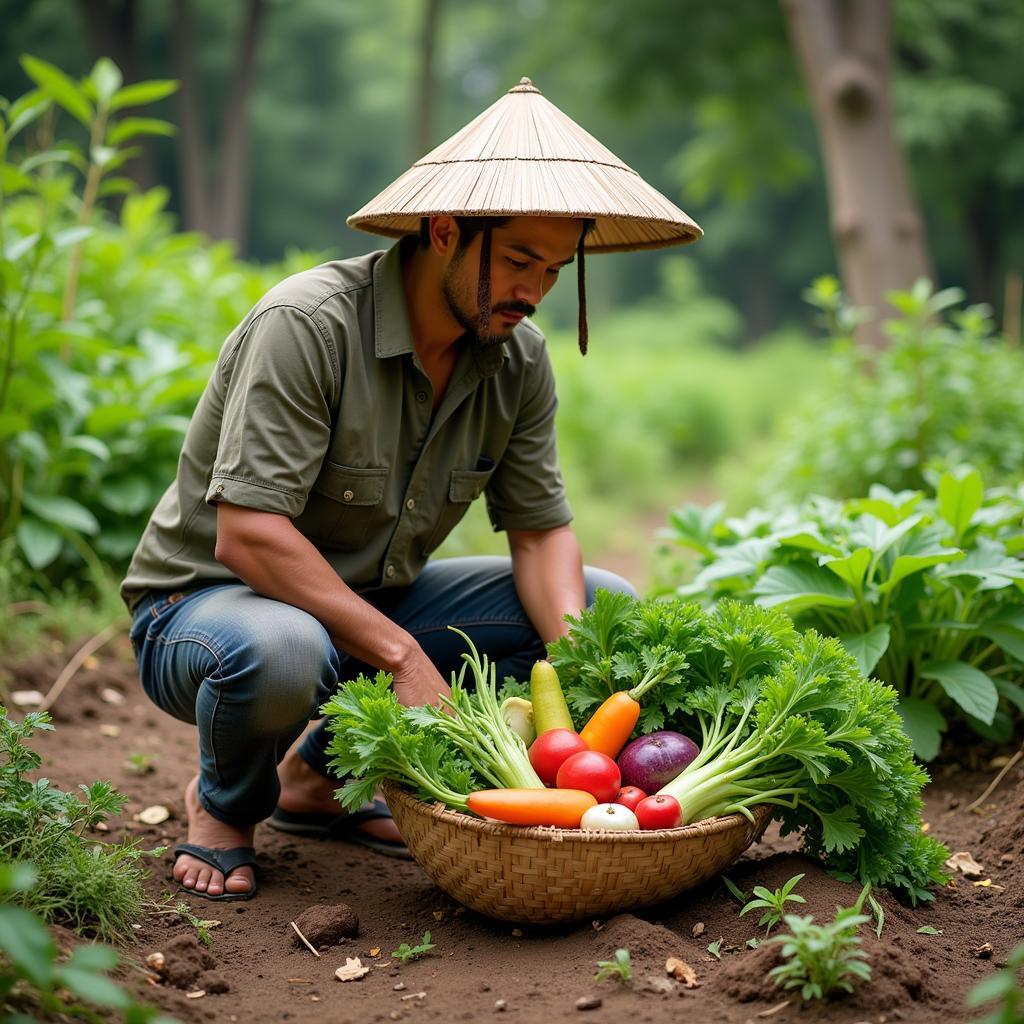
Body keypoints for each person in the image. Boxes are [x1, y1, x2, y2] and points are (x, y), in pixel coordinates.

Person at [121, 78, 701, 901]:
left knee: (598, 601)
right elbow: (246, 535)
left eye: (554, 269)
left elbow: (539, 532)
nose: (534, 291)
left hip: (363, 602)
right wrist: (398, 652)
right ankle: (222, 808)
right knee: (286, 649)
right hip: (209, 612)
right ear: (443, 233)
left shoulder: (517, 359)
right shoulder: (310, 326)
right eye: (519, 260)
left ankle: (313, 786)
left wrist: (579, 674)